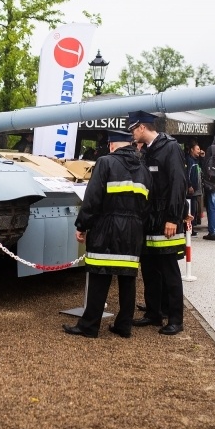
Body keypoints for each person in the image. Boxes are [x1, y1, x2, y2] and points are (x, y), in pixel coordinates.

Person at [63, 130, 152, 339]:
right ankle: (124, 326)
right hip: (133, 230)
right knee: (128, 279)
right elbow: (148, 205)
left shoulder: (105, 163)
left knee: (98, 276)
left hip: (106, 227)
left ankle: (89, 326)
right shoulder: (144, 169)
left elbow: (92, 199)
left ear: (112, 145)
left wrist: (82, 225)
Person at [127, 110, 189, 336]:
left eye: (133, 129)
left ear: (142, 127)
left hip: (165, 221)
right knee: (150, 270)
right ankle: (154, 313)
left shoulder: (170, 148)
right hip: (148, 221)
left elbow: (178, 184)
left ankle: (175, 319)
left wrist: (174, 217)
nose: (132, 134)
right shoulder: (146, 151)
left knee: (169, 271)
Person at [186, 140, 204, 236]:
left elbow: (202, 167)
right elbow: (186, 174)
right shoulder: (189, 160)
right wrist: (189, 185)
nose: (199, 150)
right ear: (192, 150)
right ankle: (189, 229)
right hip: (190, 190)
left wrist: (202, 157)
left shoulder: (196, 160)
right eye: (197, 149)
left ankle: (191, 228)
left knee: (194, 210)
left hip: (196, 190)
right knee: (190, 210)